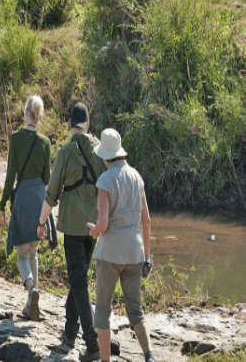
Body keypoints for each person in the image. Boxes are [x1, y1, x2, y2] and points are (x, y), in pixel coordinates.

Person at [37, 102, 105, 359]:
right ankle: (69, 331)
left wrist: (41, 222)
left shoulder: (65, 152)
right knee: (79, 278)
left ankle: (92, 343)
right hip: (96, 225)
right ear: (87, 124)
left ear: (70, 126)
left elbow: (52, 193)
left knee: (78, 280)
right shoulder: (100, 150)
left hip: (74, 226)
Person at [88, 128, 154, 362]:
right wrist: (148, 257)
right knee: (135, 311)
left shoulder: (105, 180)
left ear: (105, 156)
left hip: (110, 254)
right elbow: (146, 220)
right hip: (135, 253)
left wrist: (92, 230)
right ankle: (149, 355)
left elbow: (103, 223)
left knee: (103, 311)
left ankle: (105, 361)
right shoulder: (136, 176)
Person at [0, 95, 51, 321]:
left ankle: (31, 290)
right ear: (39, 116)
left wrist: (1, 205)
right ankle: (32, 303)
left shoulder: (16, 138)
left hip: (22, 196)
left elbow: (11, 175)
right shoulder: (45, 142)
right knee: (34, 251)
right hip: (39, 197)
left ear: (25, 113)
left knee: (21, 254)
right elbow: (47, 177)